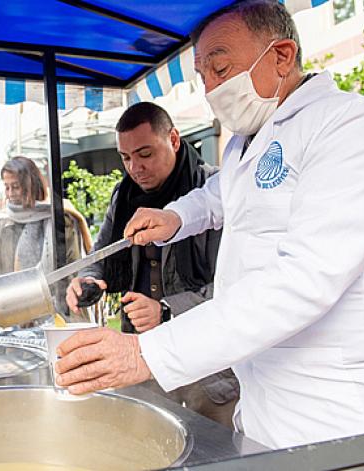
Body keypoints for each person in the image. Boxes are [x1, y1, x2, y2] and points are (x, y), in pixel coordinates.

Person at [55, 0, 364, 450]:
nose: (211, 88)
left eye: (221, 68)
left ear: (282, 56)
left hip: (346, 414)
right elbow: (219, 196)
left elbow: (305, 277)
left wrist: (148, 351)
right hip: (267, 405)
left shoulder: (349, 125)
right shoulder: (246, 144)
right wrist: (175, 217)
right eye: (202, 76)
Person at [65, 102, 238, 428]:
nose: (135, 168)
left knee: (217, 452)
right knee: (143, 443)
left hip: (210, 369)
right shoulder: (123, 196)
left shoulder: (217, 193)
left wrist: (166, 309)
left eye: (145, 154)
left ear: (173, 139)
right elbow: (101, 253)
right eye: (126, 157)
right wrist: (88, 278)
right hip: (141, 357)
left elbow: (235, 286)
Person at [0, 157, 90, 313]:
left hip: (58, 314)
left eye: (15, 187)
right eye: (6, 187)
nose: (10, 194)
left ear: (32, 185)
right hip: (12, 315)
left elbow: (74, 269)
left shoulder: (61, 222)